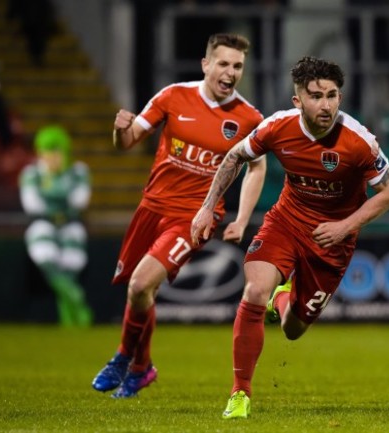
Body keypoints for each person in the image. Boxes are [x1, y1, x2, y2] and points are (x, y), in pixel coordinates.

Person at [191, 55, 389, 419]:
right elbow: (234, 157)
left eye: (333, 95)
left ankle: (284, 297)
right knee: (255, 291)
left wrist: (345, 227)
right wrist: (208, 207)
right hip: (287, 221)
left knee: (293, 330)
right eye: (316, 96)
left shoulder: (359, 141)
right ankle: (240, 394)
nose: (326, 105)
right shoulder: (278, 127)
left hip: (333, 239)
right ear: (297, 100)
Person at [91, 33, 266, 399]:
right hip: (151, 208)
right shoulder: (173, 96)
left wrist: (242, 217)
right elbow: (127, 142)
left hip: (195, 217)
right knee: (140, 293)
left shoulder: (249, 117)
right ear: (206, 64)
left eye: (237, 66)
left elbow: (257, 167)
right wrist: (118, 129)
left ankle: (124, 357)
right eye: (224, 64)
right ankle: (142, 369)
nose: (230, 72)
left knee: (141, 284)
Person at [19, 125, 92, 327]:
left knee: (72, 261)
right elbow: (32, 205)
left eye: (56, 152)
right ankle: (75, 297)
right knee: (44, 254)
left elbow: (80, 201)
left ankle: (69, 314)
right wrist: (61, 197)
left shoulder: (77, 171)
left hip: (70, 224)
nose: (52, 157)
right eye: (47, 152)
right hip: (42, 223)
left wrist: (52, 194)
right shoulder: (33, 173)